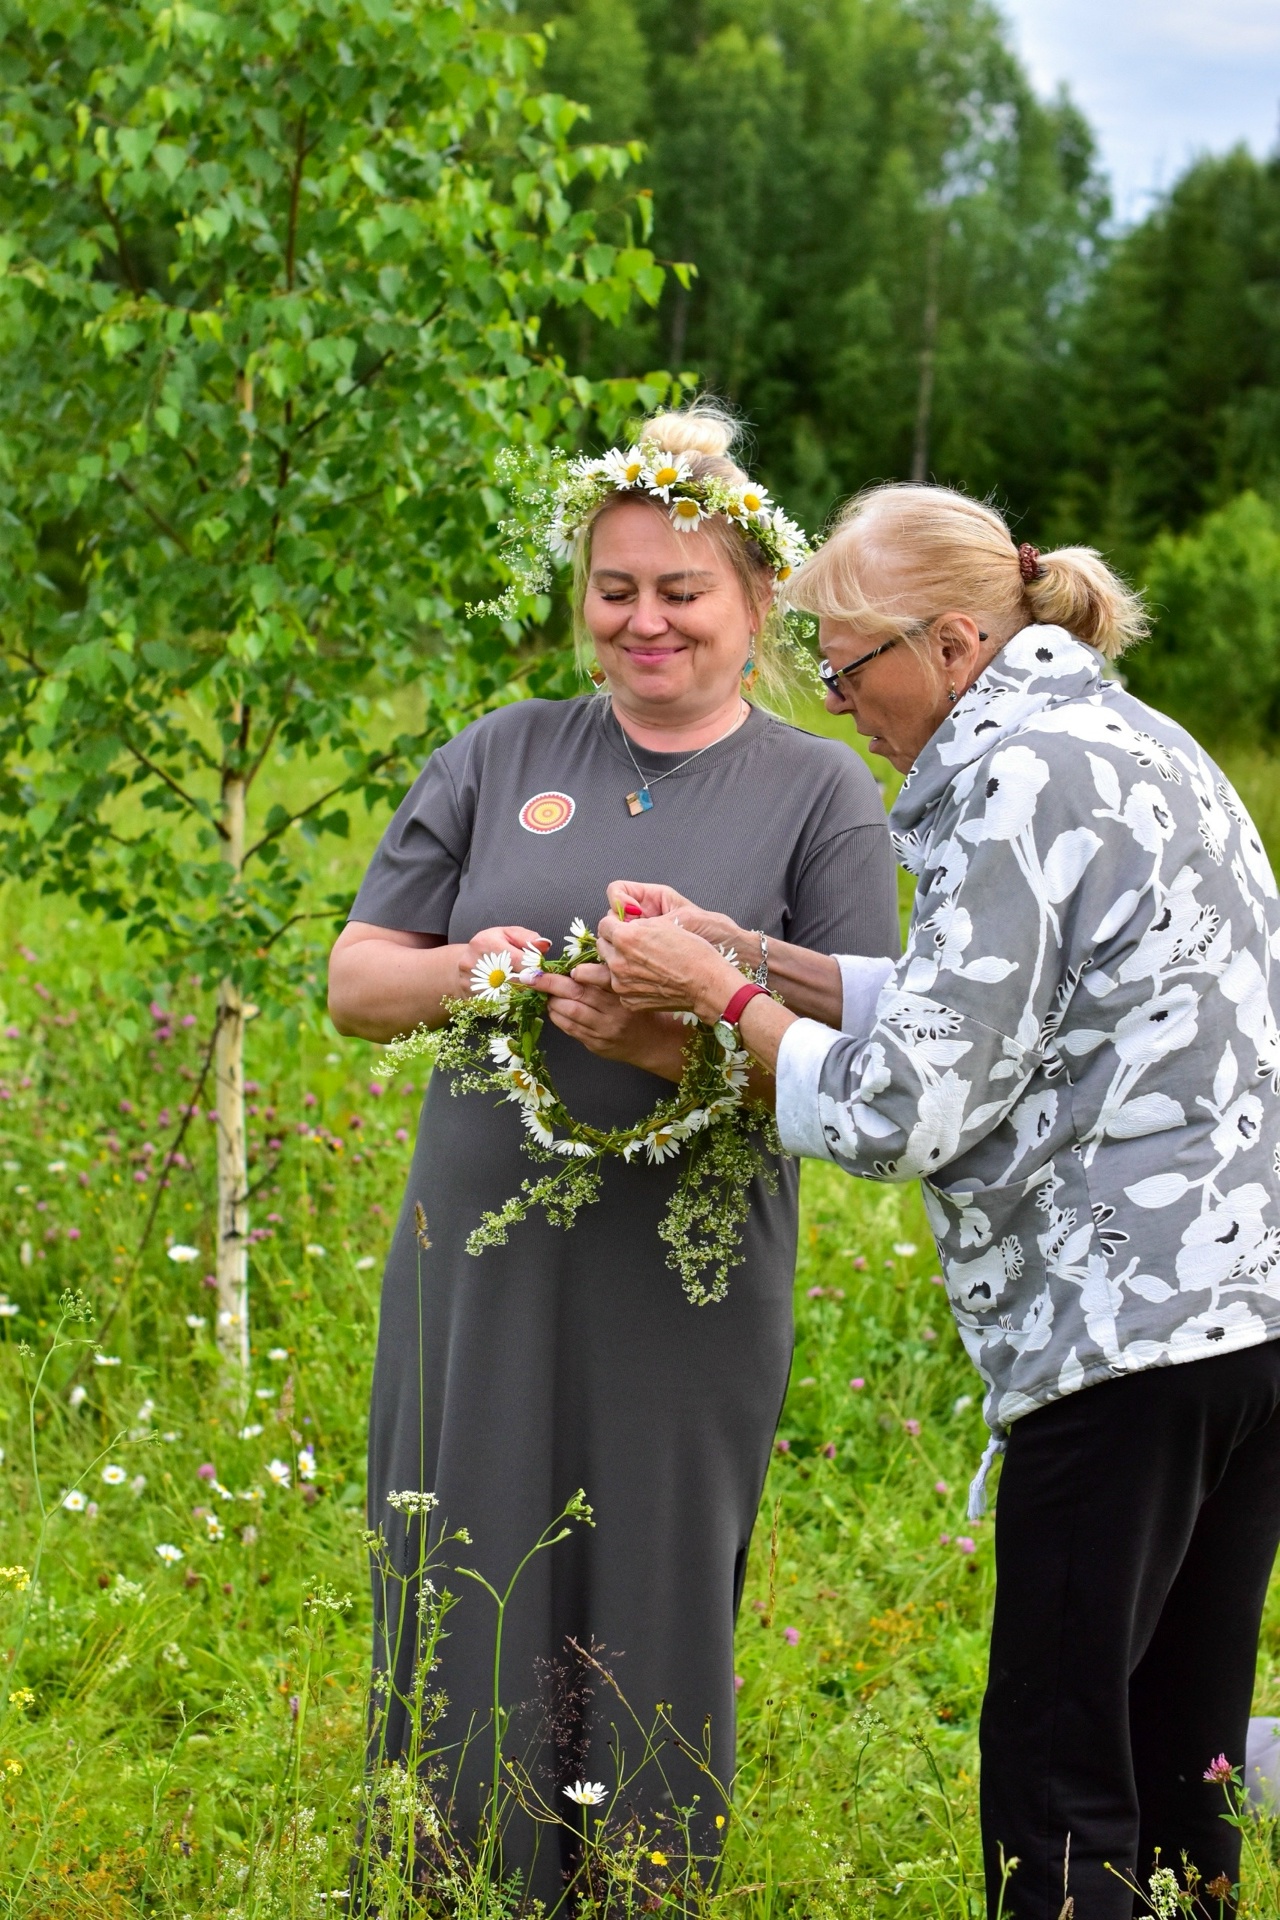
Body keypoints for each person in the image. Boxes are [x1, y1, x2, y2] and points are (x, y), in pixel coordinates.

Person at [594, 482, 1280, 1920]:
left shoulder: (1012, 777)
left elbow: (902, 1108)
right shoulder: (1132, 741)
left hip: (1122, 1334)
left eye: (851, 665)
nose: (842, 701)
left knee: (1060, 1772)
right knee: (1183, 1767)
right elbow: (1005, 1011)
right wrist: (760, 955)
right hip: (1243, 1321)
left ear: (955, 641)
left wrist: (711, 996)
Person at [327, 405, 899, 1903]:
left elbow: (868, 1056)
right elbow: (357, 981)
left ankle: (641, 1878)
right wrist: (484, 973)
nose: (646, 621)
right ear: (581, 594)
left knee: (651, 1569)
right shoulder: (502, 751)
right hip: (485, 1256)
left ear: (758, 601)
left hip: (686, 1275)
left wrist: (685, 1035)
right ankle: (452, 1873)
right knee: (467, 1548)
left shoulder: (822, 791)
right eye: (615, 589)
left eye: (682, 591)